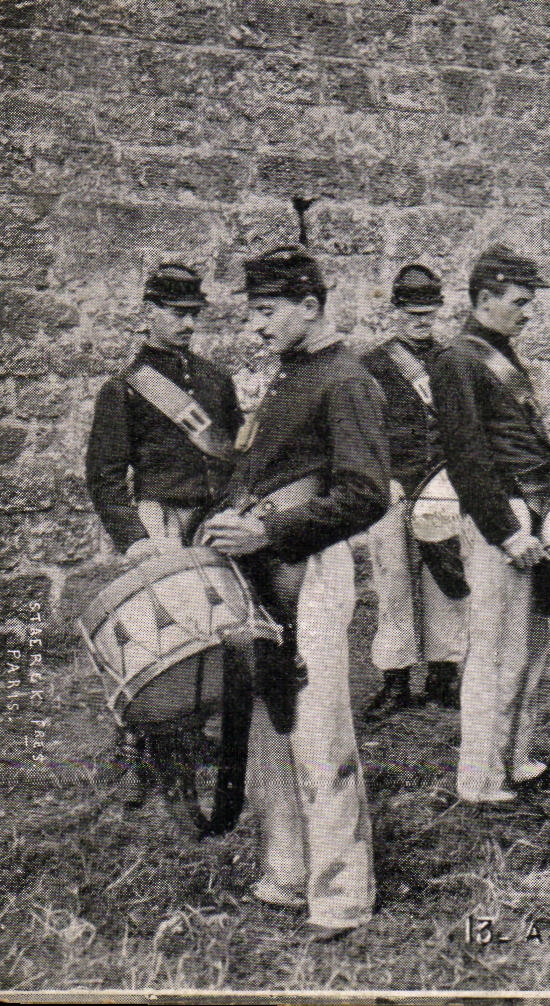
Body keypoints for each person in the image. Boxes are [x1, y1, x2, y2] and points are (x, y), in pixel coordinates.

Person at [201, 246, 389, 939]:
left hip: (310, 566)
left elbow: (366, 495)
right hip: (267, 564)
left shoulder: (345, 381)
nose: (255, 326)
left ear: (310, 308)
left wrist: (271, 530)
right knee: (269, 722)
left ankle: (341, 894)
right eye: (252, 312)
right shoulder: (289, 378)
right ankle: (287, 871)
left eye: (267, 311)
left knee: (316, 726)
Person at [428, 245, 550, 806]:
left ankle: (516, 758)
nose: (528, 313)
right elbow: (468, 458)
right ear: (485, 299)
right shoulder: (457, 361)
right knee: (495, 651)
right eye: (520, 302)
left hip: (531, 511)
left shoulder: (499, 355)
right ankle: (479, 779)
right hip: (503, 519)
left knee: (527, 650)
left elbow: (511, 439)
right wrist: (505, 533)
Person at [84, 262, 242, 804]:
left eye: (194, 314)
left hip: (212, 517)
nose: (188, 324)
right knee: (161, 636)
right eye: (177, 314)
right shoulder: (124, 390)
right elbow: (104, 476)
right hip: (160, 520)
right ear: (149, 313)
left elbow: (235, 460)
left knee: (211, 630)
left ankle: (197, 735)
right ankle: (149, 752)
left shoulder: (217, 381)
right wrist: (135, 538)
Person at [360, 264, 468, 718]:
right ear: (396, 312)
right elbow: (364, 429)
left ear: (439, 311)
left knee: (444, 578)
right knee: (394, 582)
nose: (421, 321)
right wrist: (382, 478)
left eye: (428, 312)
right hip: (394, 488)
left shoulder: (452, 361)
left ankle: (444, 677)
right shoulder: (374, 364)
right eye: (412, 313)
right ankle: (396, 680)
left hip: (441, 486)